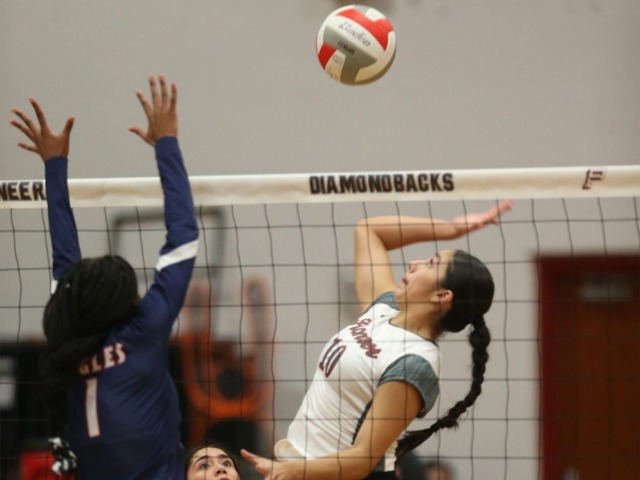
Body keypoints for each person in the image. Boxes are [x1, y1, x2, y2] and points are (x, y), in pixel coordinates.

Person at [10, 75, 199, 479]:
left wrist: (54, 166)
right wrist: (167, 143)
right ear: (128, 300)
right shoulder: (144, 330)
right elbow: (182, 236)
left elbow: (66, 261)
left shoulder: (69, 341)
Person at [241, 201, 513, 480]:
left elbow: (362, 460)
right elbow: (369, 231)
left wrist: (291, 470)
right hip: (305, 469)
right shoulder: (384, 309)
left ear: (441, 296)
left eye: (431, 264)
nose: (414, 263)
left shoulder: (414, 364)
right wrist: (453, 229)